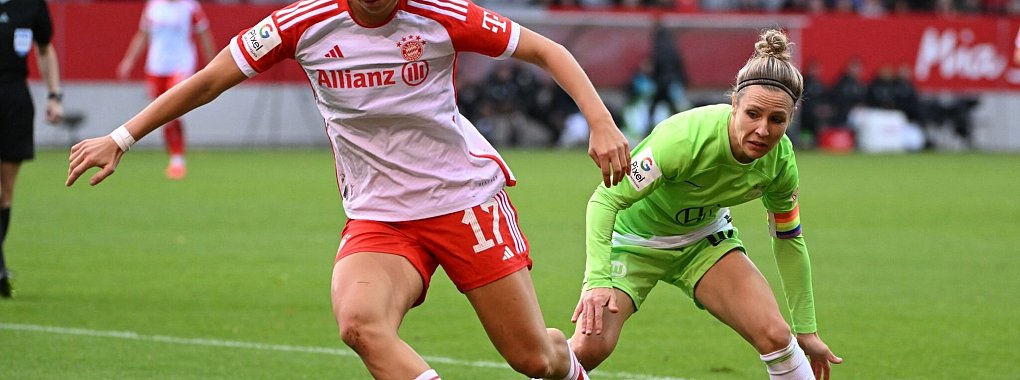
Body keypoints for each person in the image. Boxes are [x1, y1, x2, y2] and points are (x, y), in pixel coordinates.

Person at [66, 0, 630, 378]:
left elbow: (548, 50)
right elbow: (212, 78)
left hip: (464, 203)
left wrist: (601, 122)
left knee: (534, 358)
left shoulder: (441, 16)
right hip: (378, 215)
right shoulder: (301, 24)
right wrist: (123, 135)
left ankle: (569, 364)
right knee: (360, 324)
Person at [568, 29, 843, 380]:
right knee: (591, 349)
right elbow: (605, 199)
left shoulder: (781, 163)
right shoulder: (684, 139)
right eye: (753, 114)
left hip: (703, 242)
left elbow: (788, 239)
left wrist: (806, 329)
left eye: (777, 120)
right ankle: (546, 357)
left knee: (776, 336)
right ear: (734, 106)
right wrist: (597, 281)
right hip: (635, 243)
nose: (763, 130)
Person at [0, 0, 64, 298]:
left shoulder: (31, 5)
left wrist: (54, 95)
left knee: (5, 191)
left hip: (14, 99)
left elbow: (45, 47)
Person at [117, 0, 216, 180]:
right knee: (161, 114)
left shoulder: (190, 7)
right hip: (156, 67)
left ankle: (178, 159)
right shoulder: (153, 6)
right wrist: (128, 60)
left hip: (181, 65)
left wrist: (213, 64)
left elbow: (204, 35)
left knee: (174, 110)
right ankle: (173, 156)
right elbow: (142, 35)